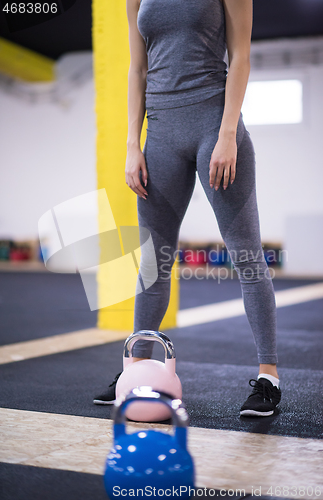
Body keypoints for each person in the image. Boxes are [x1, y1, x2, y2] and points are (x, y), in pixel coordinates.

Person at [94, 0, 281, 417]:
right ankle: (138, 370)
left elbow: (241, 57)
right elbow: (137, 69)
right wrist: (131, 144)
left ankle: (268, 378)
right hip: (158, 136)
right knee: (153, 263)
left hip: (213, 128)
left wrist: (228, 134)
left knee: (247, 256)